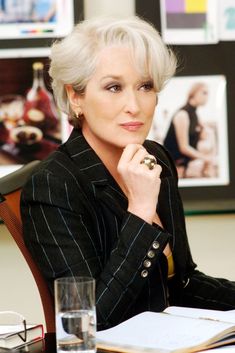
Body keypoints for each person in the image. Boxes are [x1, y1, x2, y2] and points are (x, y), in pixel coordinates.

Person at [20, 16, 235, 331]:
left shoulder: (155, 157)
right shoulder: (53, 185)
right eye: (113, 87)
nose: (134, 105)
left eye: (145, 86)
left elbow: (183, 282)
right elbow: (88, 323)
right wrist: (140, 210)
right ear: (76, 97)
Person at [163, 82, 217, 178]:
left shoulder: (195, 114)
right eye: (204, 93)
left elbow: (204, 134)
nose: (207, 97)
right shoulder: (182, 114)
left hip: (186, 159)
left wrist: (204, 130)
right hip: (175, 162)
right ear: (194, 93)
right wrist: (206, 158)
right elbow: (184, 148)